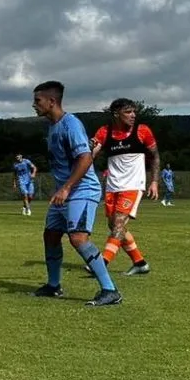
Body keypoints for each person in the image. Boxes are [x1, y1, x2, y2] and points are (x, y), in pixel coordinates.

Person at [30, 82, 120, 306]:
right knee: (50, 235)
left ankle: (110, 290)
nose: (34, 105)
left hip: (82, 189)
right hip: (64, 192)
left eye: (37, 100)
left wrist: (67, 187)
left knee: (78, 238)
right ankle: (53, 285)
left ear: (52, 101)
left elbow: (85, 158)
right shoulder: (53, 126)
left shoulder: (70, 125)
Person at [90, 98, 159, 275]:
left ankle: (101, 263)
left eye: (134, 111)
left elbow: (155, 156)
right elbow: (92, 154)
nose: (133, 115)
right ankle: (140, 263)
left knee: (119, 223)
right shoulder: (105, 131)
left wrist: (154, 181)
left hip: (133, 185)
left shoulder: (142, 131)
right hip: (113, 186)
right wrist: (89, 148)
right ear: (116, 114)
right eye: (128, 112)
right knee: (114, 225)